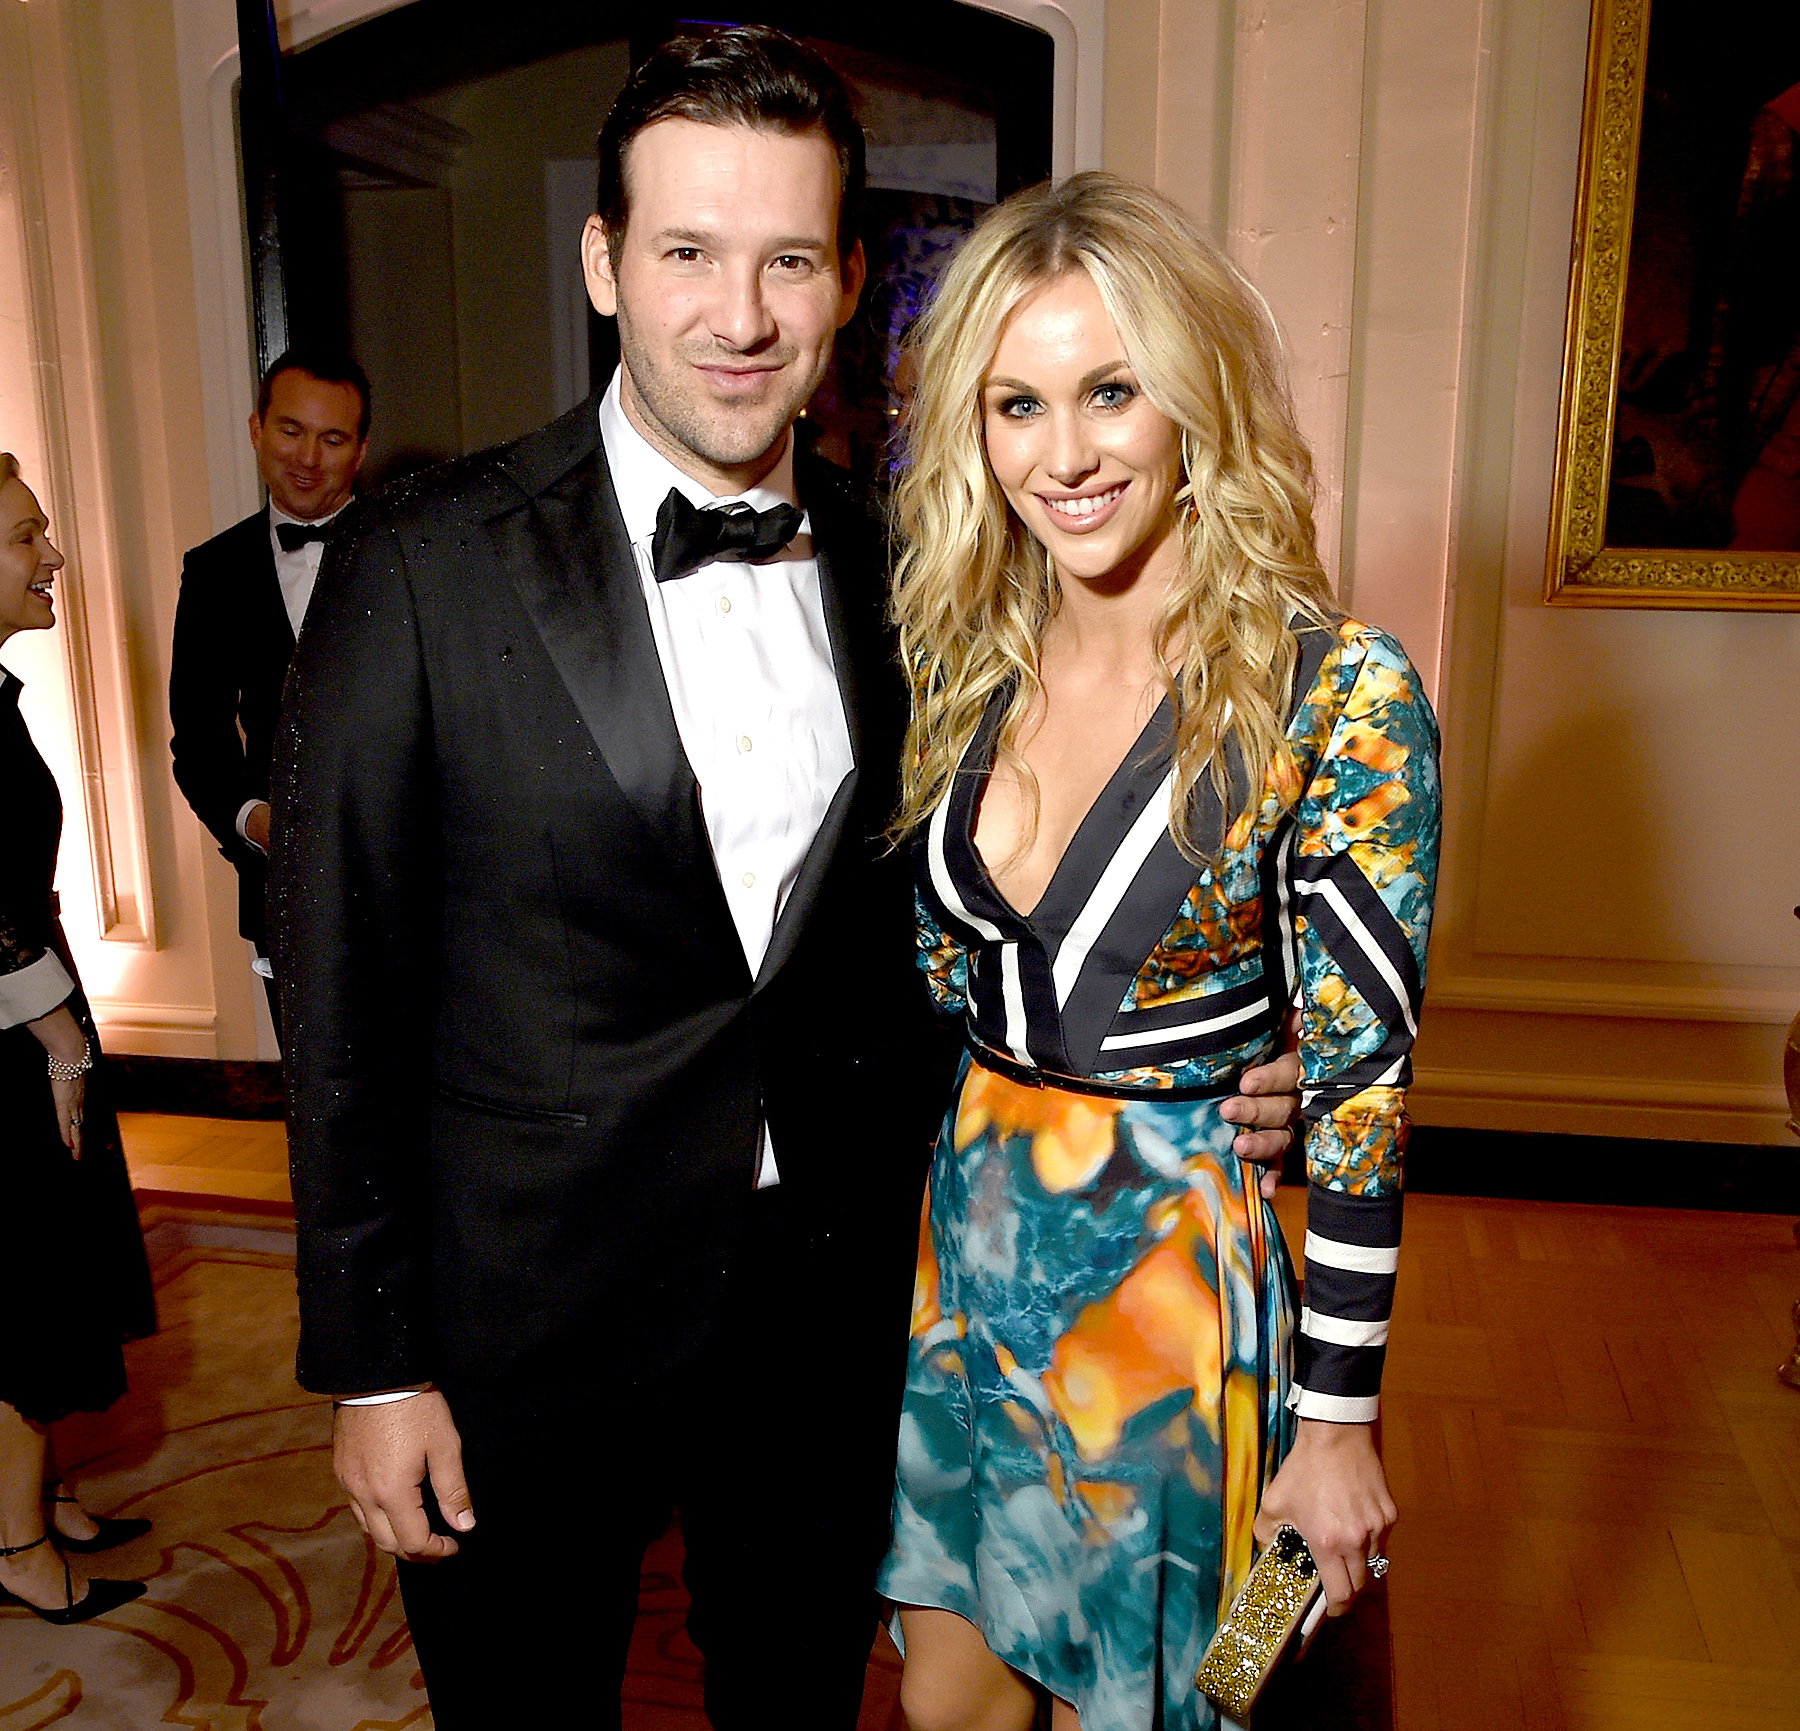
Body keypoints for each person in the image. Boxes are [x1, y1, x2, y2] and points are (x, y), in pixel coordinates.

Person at [270, 31, 1300, 1728]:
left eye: (787, 259)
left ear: (846, 280)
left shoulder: (929, 583)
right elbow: (337, 998)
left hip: (827, 1314)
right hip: (521, 1323)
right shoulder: (421, 561)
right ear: (604, 262)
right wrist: (372, 1361)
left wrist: (1241, 1054)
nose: (736, 316)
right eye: (685, 251)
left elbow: (1021, 904)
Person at [876, 174, 1440, 1731]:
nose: (1065, 455)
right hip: (973, 1265)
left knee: (1209, 1699)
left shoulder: (1340, 693)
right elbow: (947, 989)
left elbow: (1367, 1087)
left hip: (1188, 1301)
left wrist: (1335, 1427)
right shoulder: (963, 656)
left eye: (1111, 391)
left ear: (1192, 395)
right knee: (948, 1704)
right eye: (1016, 403)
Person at [0, 453, 155, 1624]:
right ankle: (12, 1549)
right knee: (26, 1294)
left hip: (36, 1011)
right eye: (24, 538)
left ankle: (33, 1502)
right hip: (14, 1037)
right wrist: (57, 1034)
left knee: (51, 1275)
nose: (50, 556)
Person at [169, 349, 370, 1042]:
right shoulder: (213, 571)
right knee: (319, 1120)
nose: (308, 457)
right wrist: (259, 824)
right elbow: (197, 740)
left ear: (361, 449)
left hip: (423, 891)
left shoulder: (418, 554)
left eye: (333, 438)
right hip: (286, 899)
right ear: (256, 428)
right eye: (291, 430)